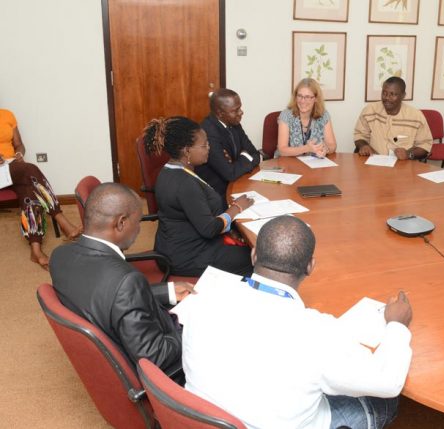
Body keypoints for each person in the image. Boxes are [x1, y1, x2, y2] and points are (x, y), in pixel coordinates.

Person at [177, 216, 413, 429]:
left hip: (204, 418)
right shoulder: (317, 332)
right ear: (310, 266)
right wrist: (397, 325)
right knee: (386, 402)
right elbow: (388, 382)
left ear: (254, 255)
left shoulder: (204, 296)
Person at [49, 182, 194, 373]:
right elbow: (155, 357)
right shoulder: (127, 280)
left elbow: (105, 294)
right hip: (162, 370)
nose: (139, 229)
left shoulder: (60, 255)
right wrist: (192, 331)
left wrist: (167, 291)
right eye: (138, 221)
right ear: (121, 223)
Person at [144, 116, 254, 277]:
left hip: (178, 245)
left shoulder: (171, 169)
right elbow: (209, 229)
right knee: (253, 257)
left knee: (247, 247)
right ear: (187, 151)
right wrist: (237, 208)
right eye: (204, 145)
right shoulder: (184, 184)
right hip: (186, 256)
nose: (209, 148)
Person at [0, 108, 82, 269]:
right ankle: (62, 221)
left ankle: (35, 250)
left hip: (11, 168)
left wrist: (19, 154)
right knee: (30, 170)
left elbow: (19, 145)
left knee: (29, 193)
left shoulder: (7, 115)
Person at [196, 88, 262, 199]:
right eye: (235, 110)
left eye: (240, 108)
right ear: (220, 113)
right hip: (217, 194)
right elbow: (230, 174)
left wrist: (239, 160)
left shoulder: (234, 123)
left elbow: (255, 154)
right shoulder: (208, 133)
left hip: (239, 183)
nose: (241, 112)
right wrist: (245, 157)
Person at [354, 76, 432, 160]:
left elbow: (425, 145)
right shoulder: (369, 110)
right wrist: (363, 145)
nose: (387, 98)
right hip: (374, 162)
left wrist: (408, 154)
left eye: (393, 94)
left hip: (403, 166)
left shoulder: (416, 116)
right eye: (384, 93)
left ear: (403, 96)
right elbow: (359, 135)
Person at [277, 78, 337, 157]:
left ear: (315, 98)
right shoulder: (286, 115)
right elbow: (282, 150)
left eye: (307, 97)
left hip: (315, 165)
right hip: (290, 164)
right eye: (300, 96)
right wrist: (306, 148)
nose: (302, 101)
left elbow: (332, 146)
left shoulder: (323, 115)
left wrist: (325, 150)